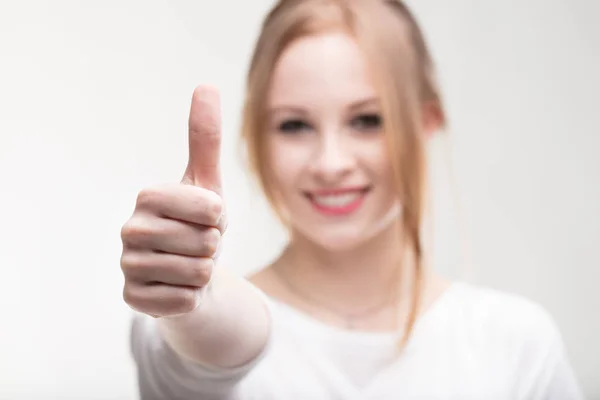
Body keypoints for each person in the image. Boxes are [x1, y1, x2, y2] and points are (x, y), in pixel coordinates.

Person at [120, 0, 584, 399]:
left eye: (367, 120)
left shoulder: (516, 343)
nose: (330, 162)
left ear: (427, 122)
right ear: (254, 136)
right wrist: (195, 296)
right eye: (294, 125)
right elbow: (212, 350)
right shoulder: (175, 323)